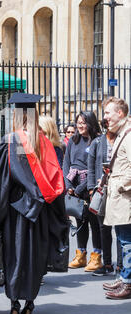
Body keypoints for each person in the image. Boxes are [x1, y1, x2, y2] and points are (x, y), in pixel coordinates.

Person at [0, 93, 67, 314]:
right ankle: (30, 302)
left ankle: (14, 302)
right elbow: (55, 179)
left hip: (16, 211)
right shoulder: (44, 142)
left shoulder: (10, 141)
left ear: (16, 115)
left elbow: (2, 182)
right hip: (40, 211)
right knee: (34, 254)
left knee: (15, 255)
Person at [63, 111, 102, 271]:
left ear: (91, 124)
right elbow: (66, 163)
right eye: (78, 122)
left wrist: (80, 188)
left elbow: (94, 168)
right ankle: (81, 254)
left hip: (89, 186)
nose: (80, 125)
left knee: (94, 222)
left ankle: (97, 256)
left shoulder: (97, 141)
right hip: (74, 185)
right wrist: (68, 185)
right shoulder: (73, 140)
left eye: (83, 122)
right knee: (80, 221)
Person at [102, 97, 131, 300]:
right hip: (120, 197)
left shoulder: (128, 135)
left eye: (108, 113)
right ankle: (124, 277)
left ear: (120, 113)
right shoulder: (122, 133)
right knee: (122, 239)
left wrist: (121, 185)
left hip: (125, 197)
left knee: (127, 241)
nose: (105, 117)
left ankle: (128, 282)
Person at [87, 118, 122, 277]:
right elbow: (91, 167)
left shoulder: (124, 140)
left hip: (119, 188)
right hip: (101, 188)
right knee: (103, 228)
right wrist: (90, 189)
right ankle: (107, 263)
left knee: (121, 227)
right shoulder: (97, 142)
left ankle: (121, 265)